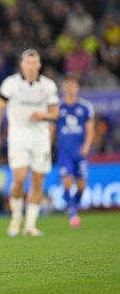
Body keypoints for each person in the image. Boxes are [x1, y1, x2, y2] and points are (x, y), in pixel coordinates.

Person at [0, 49, 59, 237]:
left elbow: (55, 113)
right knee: (18, 179)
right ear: (22, 64)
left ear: (39, 65)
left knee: (37, 182)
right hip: (18, 137)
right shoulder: (11, 83)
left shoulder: (48, 85)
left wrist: (43, 115)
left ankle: (30, 225)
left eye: (34, 62)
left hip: (40, 138)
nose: (31, 66)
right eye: (27, 62)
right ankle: (16, 217)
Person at [53, 75, 94, 228]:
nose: (70, 88)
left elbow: (90, 129)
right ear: (63, 87)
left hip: (79, 151)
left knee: (82, 185)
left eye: (73, 85)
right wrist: (49, 147)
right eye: (67, 85)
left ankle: (73, 206)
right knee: (67, 181)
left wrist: (87, 145)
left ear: (77, 87)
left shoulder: (85, 107)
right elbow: (52, 129)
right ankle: (72, 214)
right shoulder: (57, 107)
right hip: (63, 151)